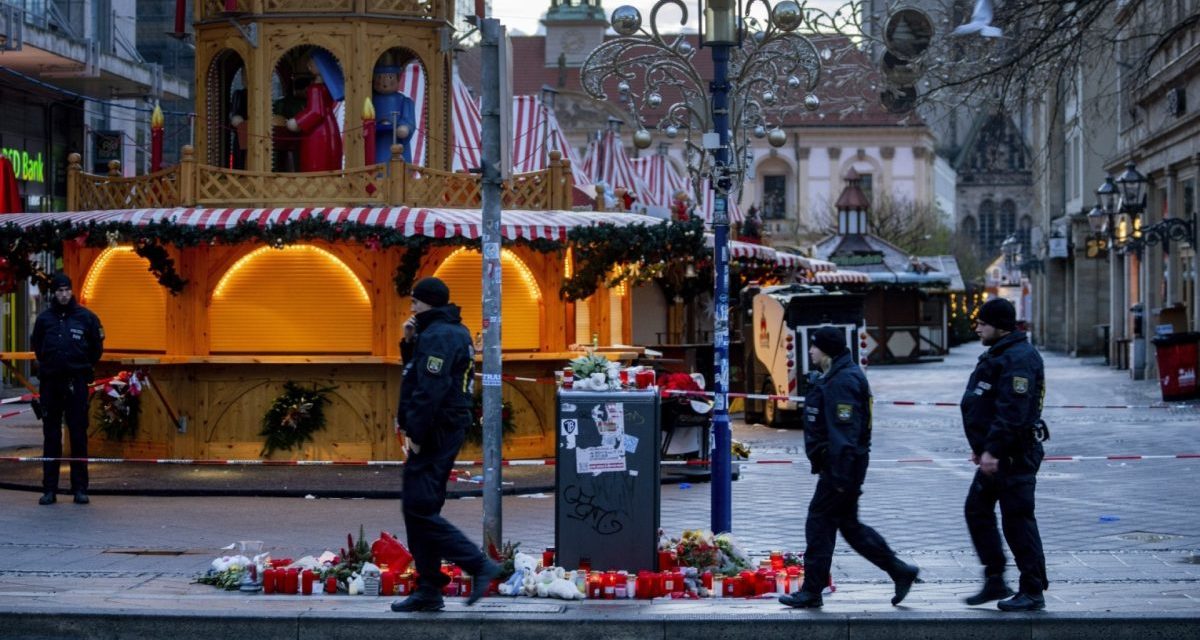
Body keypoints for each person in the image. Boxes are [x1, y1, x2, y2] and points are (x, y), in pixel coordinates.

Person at [779, 325, 918, 609]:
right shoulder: (838, 376)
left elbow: (846, 433)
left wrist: (840, 477)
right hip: (842, 468)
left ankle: (812, 591)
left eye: (814, 346)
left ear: (826, 350)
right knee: (849, 526)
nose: (810, 351)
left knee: (819, 522)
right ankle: (900, 570)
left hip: (840, 469)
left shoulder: (844, 380)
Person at [391, 277, 498, 612]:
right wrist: (409, 344)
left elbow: (429, 390)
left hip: (436, 428)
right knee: (422, 508)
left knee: (418, 508)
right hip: (446, 426)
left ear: (427, 303)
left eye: (414, 302)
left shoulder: (439, 335)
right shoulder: (450, 331)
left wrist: (417, 435)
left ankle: (477, 564)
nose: (411, 308)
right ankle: (429, 588)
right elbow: (421, 374)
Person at [961, 298, 1048, 612]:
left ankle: (1033, 589)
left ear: (998, 325)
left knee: (1018, 521)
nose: (978, 327)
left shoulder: (1019, 358)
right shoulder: (1001, 353)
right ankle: (995, 577)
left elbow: (1013, 410)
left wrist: (993, 450)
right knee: (977, 510)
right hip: (996, 455)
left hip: (1013, 456)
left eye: (982, 323)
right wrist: (983, 448)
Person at [30, 273, 104, 506]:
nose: (63, 294)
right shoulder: (44, 319)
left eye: (66, 290)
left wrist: (82, 366)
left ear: (71, 291)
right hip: (51, 382)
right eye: (59, 290)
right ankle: (49, 489)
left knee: (78, 434)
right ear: (54, 293)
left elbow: (96, 348)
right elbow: (38, 347)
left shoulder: (86, 317)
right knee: (51, 435)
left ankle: (80, 488)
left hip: (76, 381)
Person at [286, 53, 343, 172]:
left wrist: (297, 122)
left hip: (317, 132)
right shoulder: (326, 88)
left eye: (312, 62)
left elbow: (315, 112)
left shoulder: (316, 88)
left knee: (316, 161)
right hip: (329, 127)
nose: (308, 65)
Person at [371, 63, 416, 165]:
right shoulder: (370, 99)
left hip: (397, 143)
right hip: (377, 142)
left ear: (398, 78)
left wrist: (405, 128)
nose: (384, 82)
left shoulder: (405, 101)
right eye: (379, 77)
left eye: (390, 77)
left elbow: (409, 120)